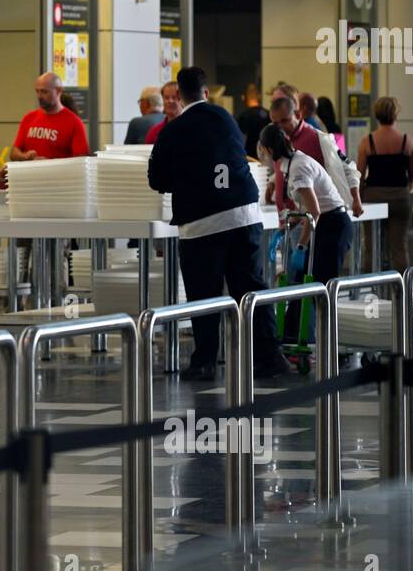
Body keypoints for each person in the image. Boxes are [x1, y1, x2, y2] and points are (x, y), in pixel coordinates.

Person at [148, 67, 291, 381]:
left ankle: (205, 361)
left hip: (201, 223)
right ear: (206, 92)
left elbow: (156, 179)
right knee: (251, 288)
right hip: (243, 213)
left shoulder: (172, 130)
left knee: (205, 293)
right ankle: (270, 356)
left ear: (179, 96)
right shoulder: (226, 118)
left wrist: (184, 178)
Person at [260, 123, 354, 288]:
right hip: (324, 223)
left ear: (268, 150)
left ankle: (323, 314)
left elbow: (314, 211)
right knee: (302, 285)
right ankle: (297, 315)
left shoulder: (298, 167)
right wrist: (283, 230)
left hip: (334, 225)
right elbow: (304, 208)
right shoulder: (290, 162)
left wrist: (301, 247)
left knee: (319, 287)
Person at [357, 96, 413, 273]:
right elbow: (412, 174)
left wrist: (358, 198)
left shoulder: (367, 141)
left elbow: (359, 175)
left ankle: (372, 289)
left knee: (372, 247)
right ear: (396, 114)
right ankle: (402, 291)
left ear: (377, 115)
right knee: (399, 248)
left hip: (374, 197)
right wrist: (406, 187)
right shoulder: (407, 141)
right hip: (400, 197)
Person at [11, 72, 90, 161]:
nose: (39, 96)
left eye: (44, 92)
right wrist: (25, 157)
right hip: (30, 174)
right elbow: (14, 152)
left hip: (57, 174)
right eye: (37, 91)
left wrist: (49, 164)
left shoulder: (74, 122)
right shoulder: (29, 118)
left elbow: (81, 160)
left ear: (58, 91)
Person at [235, 83, 271, 157]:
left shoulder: (244, 116)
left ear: (244, 97)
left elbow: (240, 140)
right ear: (259, 96)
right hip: (267, 156)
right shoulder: (268, 114)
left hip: (249, 157)